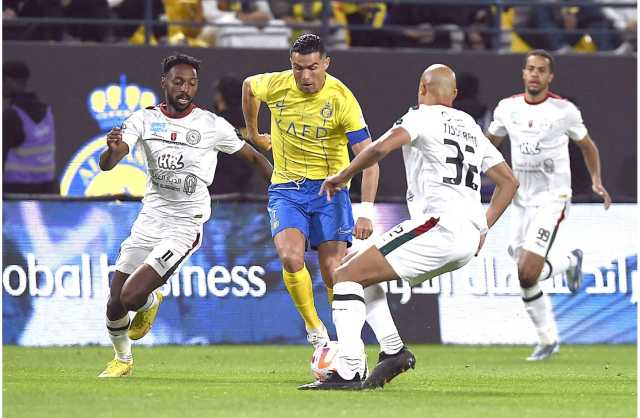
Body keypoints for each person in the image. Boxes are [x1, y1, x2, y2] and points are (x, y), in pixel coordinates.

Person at [298, 64, 518, 390]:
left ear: (422, 89)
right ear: (453, 94)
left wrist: (343, 176)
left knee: (343, 275)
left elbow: (380, 148)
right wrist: (483, 229)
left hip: (437, 226)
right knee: (355, 270)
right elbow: (509, 183)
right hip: (466, 235)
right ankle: (393, 351)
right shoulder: (470, 126)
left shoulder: (419, 116)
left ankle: (348, 370)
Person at [97, 53, 273, 378]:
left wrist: (280, 194)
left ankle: (151, 300)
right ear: (164, 82)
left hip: (185, 223)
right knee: (114, 303)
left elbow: (254, 158)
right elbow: (108, 164)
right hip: (150, 219)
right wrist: (111, 149)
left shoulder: (211, 125)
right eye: (178, 81)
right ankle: (123, 360)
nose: (185, 89)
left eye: (191, 83)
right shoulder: (144, 120)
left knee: (133, 296)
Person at [242, 34, 410, 364]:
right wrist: (254, 133)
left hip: (330, 192)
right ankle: (316, 330)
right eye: (297, 68)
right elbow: (249, 87)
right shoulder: (276, 85)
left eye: (312, 68)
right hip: (286, 189)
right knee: (291, 259)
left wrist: (366, 212)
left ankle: (347, 346)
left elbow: (370, 158)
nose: (305, 77)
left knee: (335, 271)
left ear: (326, 64)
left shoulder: (341, 98)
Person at [486, 50, 611, 361]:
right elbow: (490, 145)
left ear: (549, 76)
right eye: (530, 69)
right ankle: (549, 337)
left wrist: (596, 181)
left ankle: (566, 267)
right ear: (523, 73)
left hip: (552, 198)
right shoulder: (507, 108)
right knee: (524, 274)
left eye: (541, 70)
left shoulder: (564, 111)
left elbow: (587, 145)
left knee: (528, 272)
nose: (535, 75)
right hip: (520, 200)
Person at [3, 60, 58, 194]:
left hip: (16, 195)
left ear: (9, 81)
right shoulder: (47, 112)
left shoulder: (11, 116)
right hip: (47, 192)